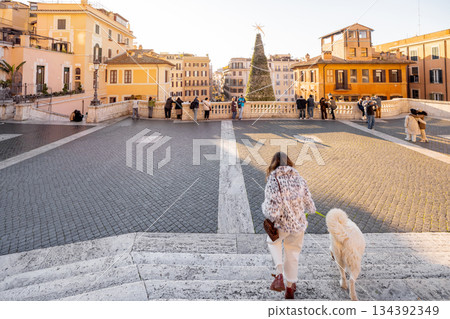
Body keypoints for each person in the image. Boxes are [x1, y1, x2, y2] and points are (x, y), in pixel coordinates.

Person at [262, 152, 316, 300]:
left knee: (273, 241)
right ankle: (290, 288)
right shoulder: (299, 177)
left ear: (274, 164)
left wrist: (265, 211)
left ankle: (279, 274)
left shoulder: (273, 179)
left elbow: (272, 211)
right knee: (293, 255)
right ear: (290, 162)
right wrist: (309, 210)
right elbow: (309, 202)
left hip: (281, 224)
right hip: (297, 224)